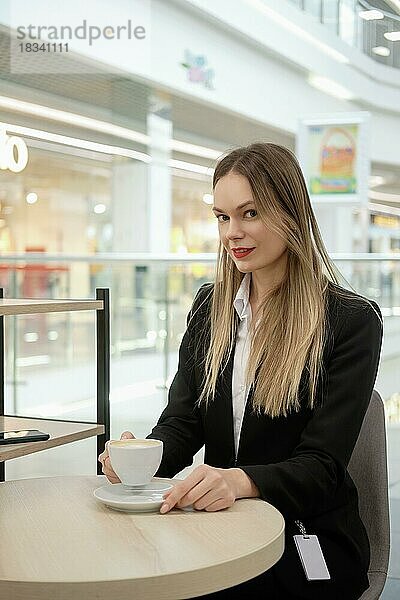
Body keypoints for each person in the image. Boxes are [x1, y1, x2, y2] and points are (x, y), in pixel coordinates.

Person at [99, 143, 383, 599]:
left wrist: (236, 480)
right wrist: (139, 457)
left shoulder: (350, 321)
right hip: (219, 527)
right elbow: (183, 423)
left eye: (250, 213)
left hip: (305, 535)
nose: (233, 232)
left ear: (291, 213)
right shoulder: (211, 308)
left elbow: (322, 468)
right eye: (222, 217)